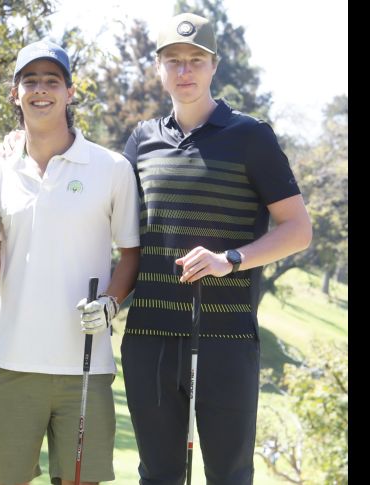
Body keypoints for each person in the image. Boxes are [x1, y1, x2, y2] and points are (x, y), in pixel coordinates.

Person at [120, 13, 312, 485]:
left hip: (225, 340)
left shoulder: (251, 137)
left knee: (229, 476)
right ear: (159, 68)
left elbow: (298, 229)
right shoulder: (141, 142)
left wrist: (231, 259)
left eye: (196, 61)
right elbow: (114, 228)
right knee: (158, 477)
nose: (184, 71)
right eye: (173, 61)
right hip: (149, 340)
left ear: (214, 66)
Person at [0, 40, 141, 485]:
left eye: (52, 81)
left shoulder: (111, 168)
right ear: (15, 94)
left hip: (85, 366)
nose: (40, 90)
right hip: (10, 360)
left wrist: (110, 302)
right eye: (29, 81)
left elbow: (130, 252)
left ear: (70, 92)